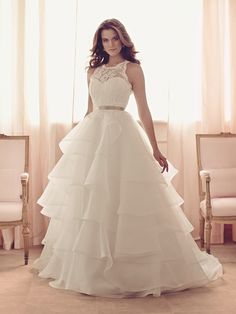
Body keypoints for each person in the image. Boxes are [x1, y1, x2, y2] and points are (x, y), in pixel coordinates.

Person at [33, 18, 223, 298]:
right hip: (95, 134)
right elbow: (89, 111)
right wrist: (77, 147)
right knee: (93, 202)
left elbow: (144, 111)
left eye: (114, 39)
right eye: (105, 40)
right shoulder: (91, 71)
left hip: (123, 134)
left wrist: (156, 149)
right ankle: (92, 268)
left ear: (123, 40)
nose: (110, 44)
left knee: (126, 200)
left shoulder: (133, 69)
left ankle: (131, 267)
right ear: (100, 43)